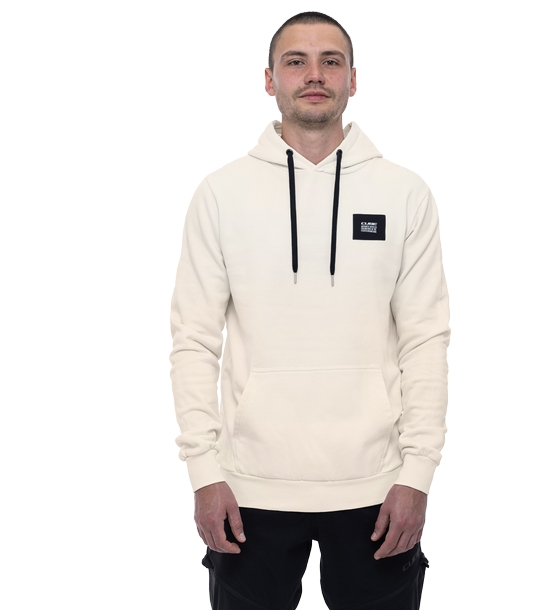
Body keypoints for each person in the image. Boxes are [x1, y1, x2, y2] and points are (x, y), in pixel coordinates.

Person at [169, 11, 450, 610]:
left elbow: (425, 339)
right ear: (270, 79)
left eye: (331, 61)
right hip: (249, 491)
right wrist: (204, 471)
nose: (314, 74)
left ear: (354, 78)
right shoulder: (221, 194)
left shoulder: (404, 193)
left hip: (378, 489)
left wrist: (417, 474)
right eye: (296, 61)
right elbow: (194, 340)